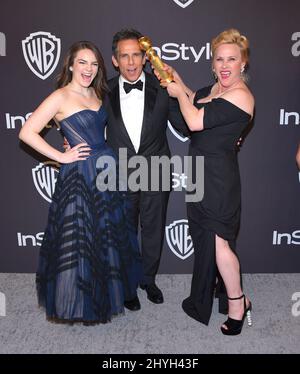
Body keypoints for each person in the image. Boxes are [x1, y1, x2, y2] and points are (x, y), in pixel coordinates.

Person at [19, 41, 142, 324]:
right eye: (83, 62)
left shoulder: (98, 93)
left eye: (94, 64)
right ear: (71, 65)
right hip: (80, 173)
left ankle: (111, 293)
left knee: (108, 234)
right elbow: (27, 132)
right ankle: (83, 302)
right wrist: (61, 156)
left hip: (106, 167)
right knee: (82, 238)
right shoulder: (60, 97)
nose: (88, 69)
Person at [160, 29, 255, 335]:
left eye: (232, 59)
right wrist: (179, 82)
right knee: (206, 241)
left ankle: (238, 303)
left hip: (218, 179)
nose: (225, 65)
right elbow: (196, 101)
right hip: (199, 174)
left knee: (219, 245)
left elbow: (195, 120)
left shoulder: (240, 95)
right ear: (212, 64)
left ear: (243, 64)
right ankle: (223, 296)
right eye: (219, 59)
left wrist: (177, 93)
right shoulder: (215, 88)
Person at [103, 28, 189, 310]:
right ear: (115, 60)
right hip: (118, 173)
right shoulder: (103, 91)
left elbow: (186, 124)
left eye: (136, 55)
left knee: (153, 229)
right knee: (125, 231)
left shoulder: (162, 87)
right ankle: (128, 285)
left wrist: (223, 131)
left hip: (157, 169)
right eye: (124, 56)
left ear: (145, 57)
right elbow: (86, 122)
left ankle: (148, 280)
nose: (131, 62)